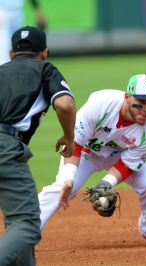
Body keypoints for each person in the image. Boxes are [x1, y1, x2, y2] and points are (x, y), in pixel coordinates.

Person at [38, 74, 146, 245]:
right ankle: (27, 232)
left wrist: (105, 184)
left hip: (121, 155)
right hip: (86, 152)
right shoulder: (100, 104)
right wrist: (70, 177)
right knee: (63, 187)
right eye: (141, 103)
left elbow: (128, 164)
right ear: (127, 96)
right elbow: (75, 143)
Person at [0, 26, 76, 265]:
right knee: (27, 224)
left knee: (16, 221)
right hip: (5, 146)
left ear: (12, 54)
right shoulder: (45, 69)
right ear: (45, 52)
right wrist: (69, 137)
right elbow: (65, 105)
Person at [0, 0, 47, 65]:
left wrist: (38, 11)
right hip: (2, 11)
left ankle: (19, 64)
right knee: (3, 41)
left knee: (19, 39)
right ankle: (3, 66)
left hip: (18, 11)